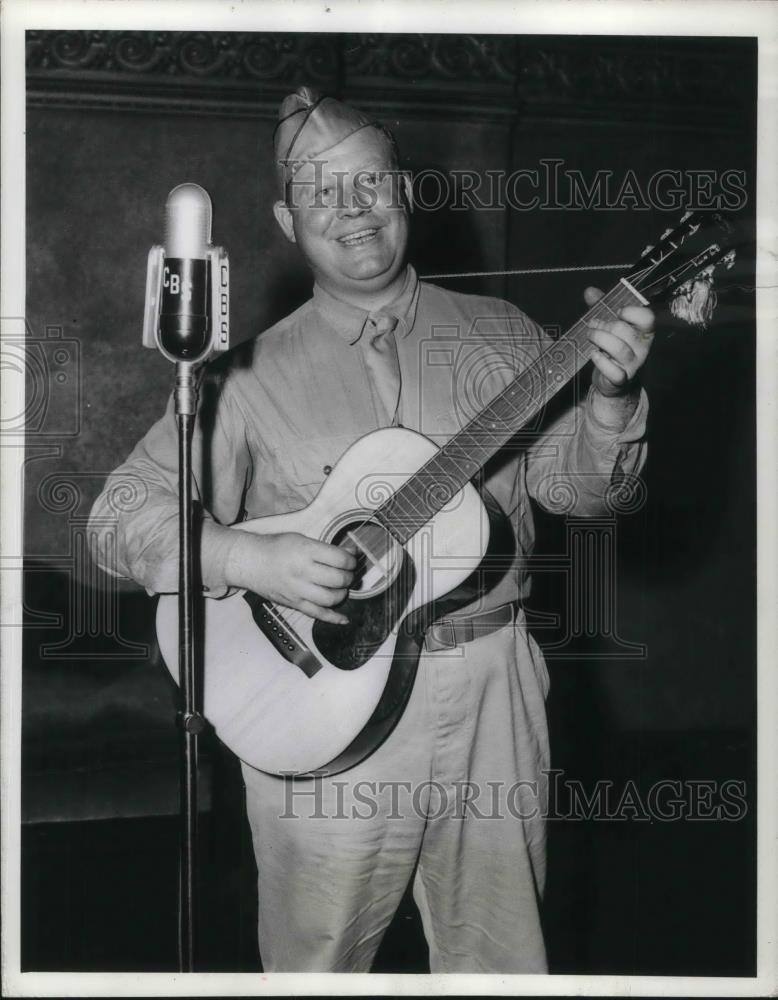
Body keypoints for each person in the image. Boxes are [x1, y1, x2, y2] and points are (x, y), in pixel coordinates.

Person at [88, 86, 654, 973]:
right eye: (324, 194)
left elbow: (580, 494)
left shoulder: (508, 336)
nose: (353, 212)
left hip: (492, 699)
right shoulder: (241, 378)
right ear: (286, 218)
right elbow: (117, 517)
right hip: (318, 706)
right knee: (317, 966)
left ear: (406, 192)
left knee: (505, 965)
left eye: (370, 185)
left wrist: (611, 403)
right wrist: (248, 557)